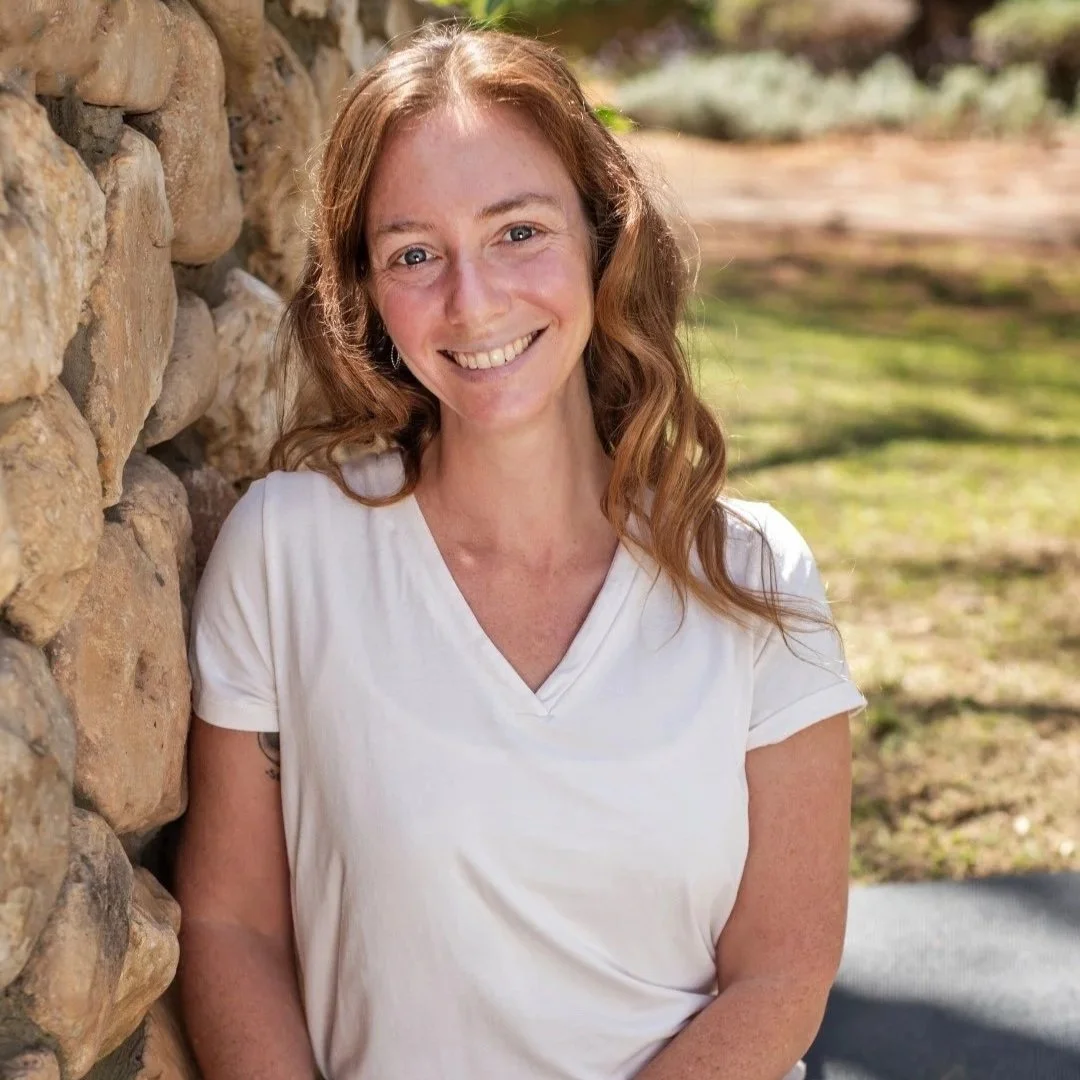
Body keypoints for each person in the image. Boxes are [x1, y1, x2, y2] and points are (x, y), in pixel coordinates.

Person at [175, 24, 867, 1080]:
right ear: (364, 297)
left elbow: (782, 975)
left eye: (518, 231)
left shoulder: (756, 575)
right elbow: (232, 928)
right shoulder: (288, 553)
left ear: (603, 237)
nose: (474, 299)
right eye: (413, 253)